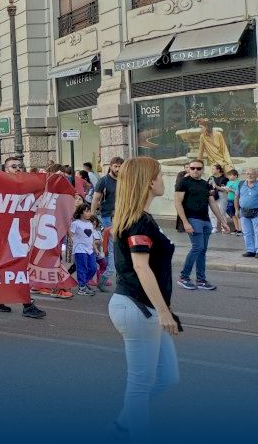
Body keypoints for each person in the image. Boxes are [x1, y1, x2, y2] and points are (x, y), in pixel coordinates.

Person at [107, 156, 180, 439]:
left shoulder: (142, 218)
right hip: (138, 308)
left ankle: (123, 424)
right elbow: (141, 266)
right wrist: (163, 311)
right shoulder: (138, 222)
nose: (163, 180)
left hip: (142, 308)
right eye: (160, 175)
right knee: (140, 384)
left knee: (167, 377)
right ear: (149, 182)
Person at [0, 156, 47, 319]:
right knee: (18, 266)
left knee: (7, 267)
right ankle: (27, 305)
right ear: (5, 170)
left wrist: (49, 177)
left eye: (20, 166)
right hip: (5, 233)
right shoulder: (0, 186)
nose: (18, 168)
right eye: (14, 166)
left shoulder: (29, 185)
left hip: (19, 233)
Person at [174, 158, 224, 291]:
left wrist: (223, 221)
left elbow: (212, 203)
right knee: (198, 247)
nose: (195, 170)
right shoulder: (183, 182)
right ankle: (184, 277)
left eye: (198, 168)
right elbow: (178, 203)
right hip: (192, 219)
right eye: (192, 168)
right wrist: (185, 222)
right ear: (189, 169)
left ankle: (201, 280)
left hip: (206, 220)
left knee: (202, 251)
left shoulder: (205, 184)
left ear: (202, 170)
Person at [71, 204, 102, 296]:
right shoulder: (75, 223)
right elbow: (71, 234)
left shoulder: (90, 224)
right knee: (82, 268)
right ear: (81, 212)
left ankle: (84, 283)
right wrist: (75, 243)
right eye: (86, 211)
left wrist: (95, 249)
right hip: (80, 249)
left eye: (89, 211)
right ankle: (82, 288)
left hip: (90, 250)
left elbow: (91, 237)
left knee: (93, 268)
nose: (89, 213)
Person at [236, 168, 258, 257]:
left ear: (256, 175)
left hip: (256, 212)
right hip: (243, 212)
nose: (250, 175)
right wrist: (236, 210)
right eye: (248, 174)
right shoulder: (241, 184)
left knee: (257, 232)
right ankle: (250, 250)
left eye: (252, 174)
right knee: (247, 232)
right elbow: (236, 197)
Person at [208, 164, 232, 234]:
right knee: (211, 212)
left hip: (221, 195)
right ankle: (214, 227)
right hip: (212, 195)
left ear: (218, 170)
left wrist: (215, 186)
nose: (212, 170)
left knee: (222, 212)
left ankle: (224, 227)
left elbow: (224, 189)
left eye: (213, 169)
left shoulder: (224, 179)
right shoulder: (211, 178)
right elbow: (208, 186)